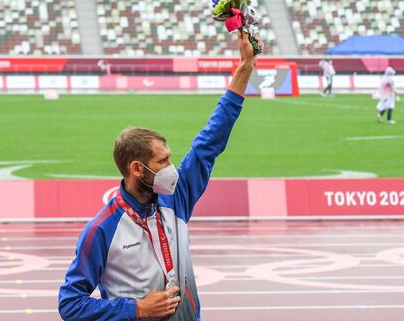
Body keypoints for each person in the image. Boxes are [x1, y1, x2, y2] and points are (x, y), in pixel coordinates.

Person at [58, 30, 263, 321]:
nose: (171, 168)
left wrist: (245, 67)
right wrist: (136, 309)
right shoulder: (101, 230)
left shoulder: (175, 198)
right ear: (137, 169)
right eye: (162, 161)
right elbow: (70, 305)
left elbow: (208, 145)